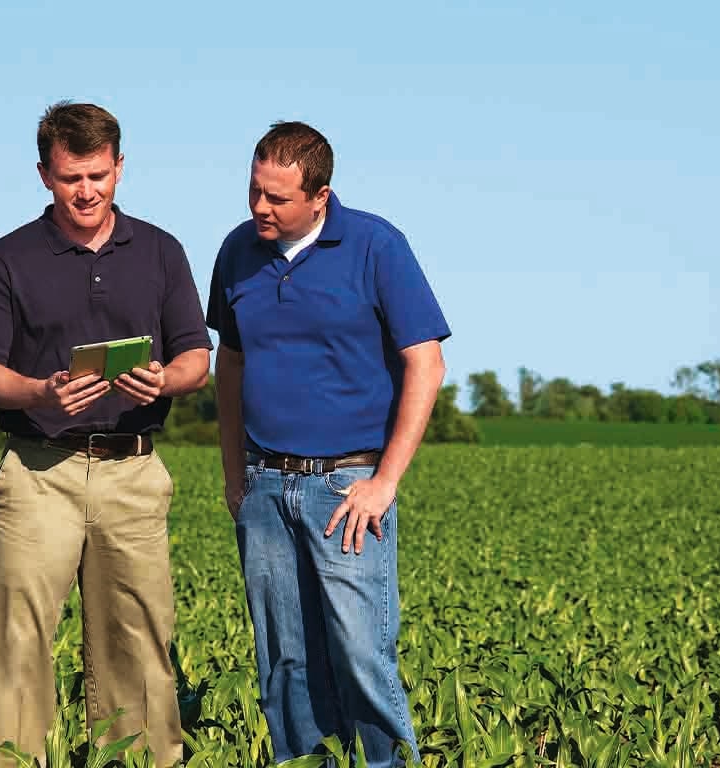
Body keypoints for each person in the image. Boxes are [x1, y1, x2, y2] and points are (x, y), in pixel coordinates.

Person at [0, 101, 211, 767]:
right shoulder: (6, 258)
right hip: (39, 473)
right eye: (71, 177)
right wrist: (40, 391)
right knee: (15, 642)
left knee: (140, 642)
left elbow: (196, 357)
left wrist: (165, 381)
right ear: (44, 174)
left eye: (98, 175)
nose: (87, 191)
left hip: (134, 471)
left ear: (120, 168)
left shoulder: (161, 250)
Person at [207, 121, 449, 767]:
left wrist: (386, 481)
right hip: (264, 484)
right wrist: (236, 474)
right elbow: (228, 364)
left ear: (320, 196)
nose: (261, 207)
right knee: (283, 657)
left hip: (347, 487)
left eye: (278, 198)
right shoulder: (237, 250)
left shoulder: (375, 245)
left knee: (362, 651)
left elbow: (425, 362)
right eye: (255, 191)